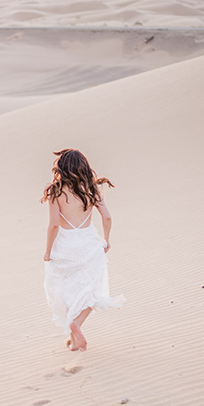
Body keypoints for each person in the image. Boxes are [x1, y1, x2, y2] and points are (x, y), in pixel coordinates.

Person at [41, 149, 125, 352]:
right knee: (91, 288)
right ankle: (76, 326)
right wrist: (106, 240)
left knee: (66, 289)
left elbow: (53, 225)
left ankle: (73, 334)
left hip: (64, 246)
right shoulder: (91, 189)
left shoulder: (55, 191)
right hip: (88, 243)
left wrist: (48, 250)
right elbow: (107, 217)